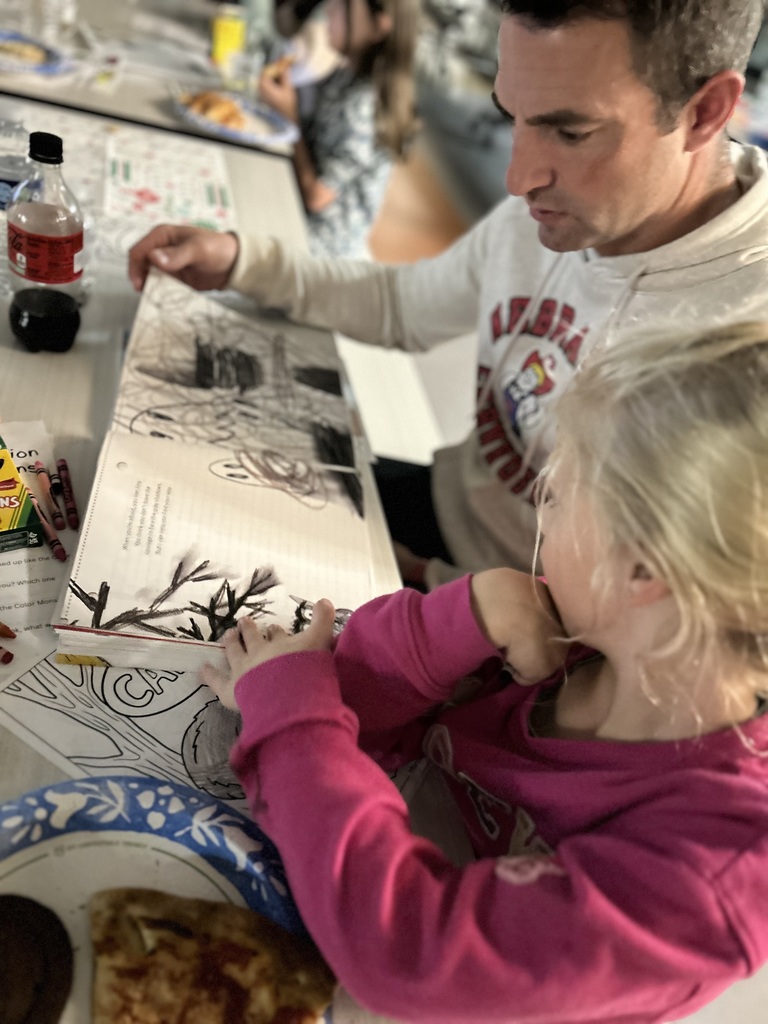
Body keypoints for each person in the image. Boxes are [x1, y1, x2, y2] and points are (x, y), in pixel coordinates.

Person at [200, 321, 768, 1023]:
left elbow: (408, 951)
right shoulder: (585, 637)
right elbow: (356, 708)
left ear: (644, 568)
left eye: (561, 492)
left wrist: (288, 716)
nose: (539, 503)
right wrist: (463, 616)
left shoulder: (717, 876)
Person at [129, 0, 768, 588]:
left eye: (570, 133)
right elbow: (404, 306)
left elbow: (666, 642)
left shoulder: (745, 342)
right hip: (441, 515)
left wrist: (429, 592)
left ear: (705, 111)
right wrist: (244, 263)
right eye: (510, 117)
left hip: (526, 639)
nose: (518, 180)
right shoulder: (562, 205)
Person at [259, 0, 419, 258]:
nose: (329, 9)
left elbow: (318, 197)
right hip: (303, 217)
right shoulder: (345, 75)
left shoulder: (361, 103)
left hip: (322, 247)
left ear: (379, 27)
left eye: (344, 5)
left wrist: (289, 118)